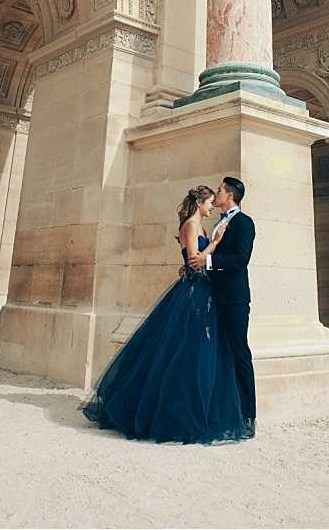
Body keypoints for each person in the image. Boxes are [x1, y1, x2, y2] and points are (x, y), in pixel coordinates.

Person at [81, 185, 248, 444]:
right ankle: (170, 412)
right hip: (194, 292)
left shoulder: (202, 226)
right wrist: (213, 244)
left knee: (192, 352)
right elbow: (194, 260)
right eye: (209, 202)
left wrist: (204, 255)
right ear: (199, 203)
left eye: (215, 200)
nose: (211, 206)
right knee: (180, 351)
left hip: (206, 291)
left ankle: (190, 408)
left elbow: (195, 263)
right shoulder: (192, 227)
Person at [187, 177, 257, 438]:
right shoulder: (217, 222)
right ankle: (220, 411)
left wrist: (206, 263)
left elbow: (241, 259)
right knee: (216, 352)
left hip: (234, 299)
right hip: (212, 296)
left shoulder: (244, 222)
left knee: (239, 352)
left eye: (219, 190)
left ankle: (248, 415)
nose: (215, 194)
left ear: (229, 195)